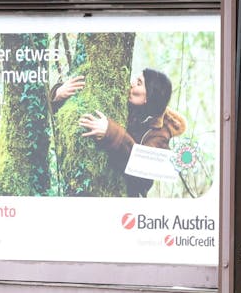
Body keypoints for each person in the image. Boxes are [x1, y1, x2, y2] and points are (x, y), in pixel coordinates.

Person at [78, 68, 186, 198]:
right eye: (136, 79)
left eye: (139, 83)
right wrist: (57, 93)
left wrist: (111, 132)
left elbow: (143, 172)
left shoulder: (161, 134)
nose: (132, 83)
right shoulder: (131, 107)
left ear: (149, 96)